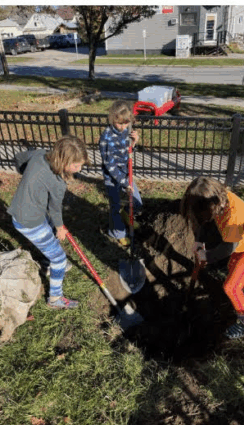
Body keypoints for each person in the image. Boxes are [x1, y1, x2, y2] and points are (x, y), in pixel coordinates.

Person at [179, 177, 244, 339]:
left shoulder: (232, 217)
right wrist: (199, 241)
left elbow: (228, 248)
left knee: (230, 287)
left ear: (210, 205)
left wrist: (207, 256)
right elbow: (205, 222)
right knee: (234, 269)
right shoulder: (219, 199)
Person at [7, 136, 89, 309]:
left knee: (50, 229)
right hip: (30, 221)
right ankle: (55, 299)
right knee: (60, 259)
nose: (79, 169)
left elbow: (20, 158)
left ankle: (47, 263)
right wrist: (60, 228)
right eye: (76, 165)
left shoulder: (40, 154)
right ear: (64, 161)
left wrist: (27, 175)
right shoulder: (57, 182)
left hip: (22, 208)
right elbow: (55, 209)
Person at [99, 100, 143, 247]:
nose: (123, 127)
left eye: (126, 123)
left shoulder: (126, 130)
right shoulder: (106, 138)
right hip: (112, 178)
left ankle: (126, 214)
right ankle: (118, 233)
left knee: (137, 202)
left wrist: (134, 142)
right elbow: (110, 166)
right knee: (115, 207)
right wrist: (124, 183)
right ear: (112, 118)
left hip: (126, 173)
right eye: (119, 123)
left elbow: (127, 151)